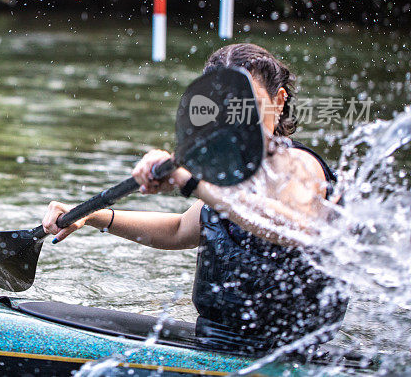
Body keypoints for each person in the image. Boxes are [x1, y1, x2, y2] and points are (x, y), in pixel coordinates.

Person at [41, 43, 348, 355]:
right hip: (215, 341)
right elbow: (177, 230)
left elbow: (296, 229)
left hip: (286, 354)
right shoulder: (229, 175)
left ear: (278, 102)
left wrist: (191, 182)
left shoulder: (297, 166)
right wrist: (94, 217)